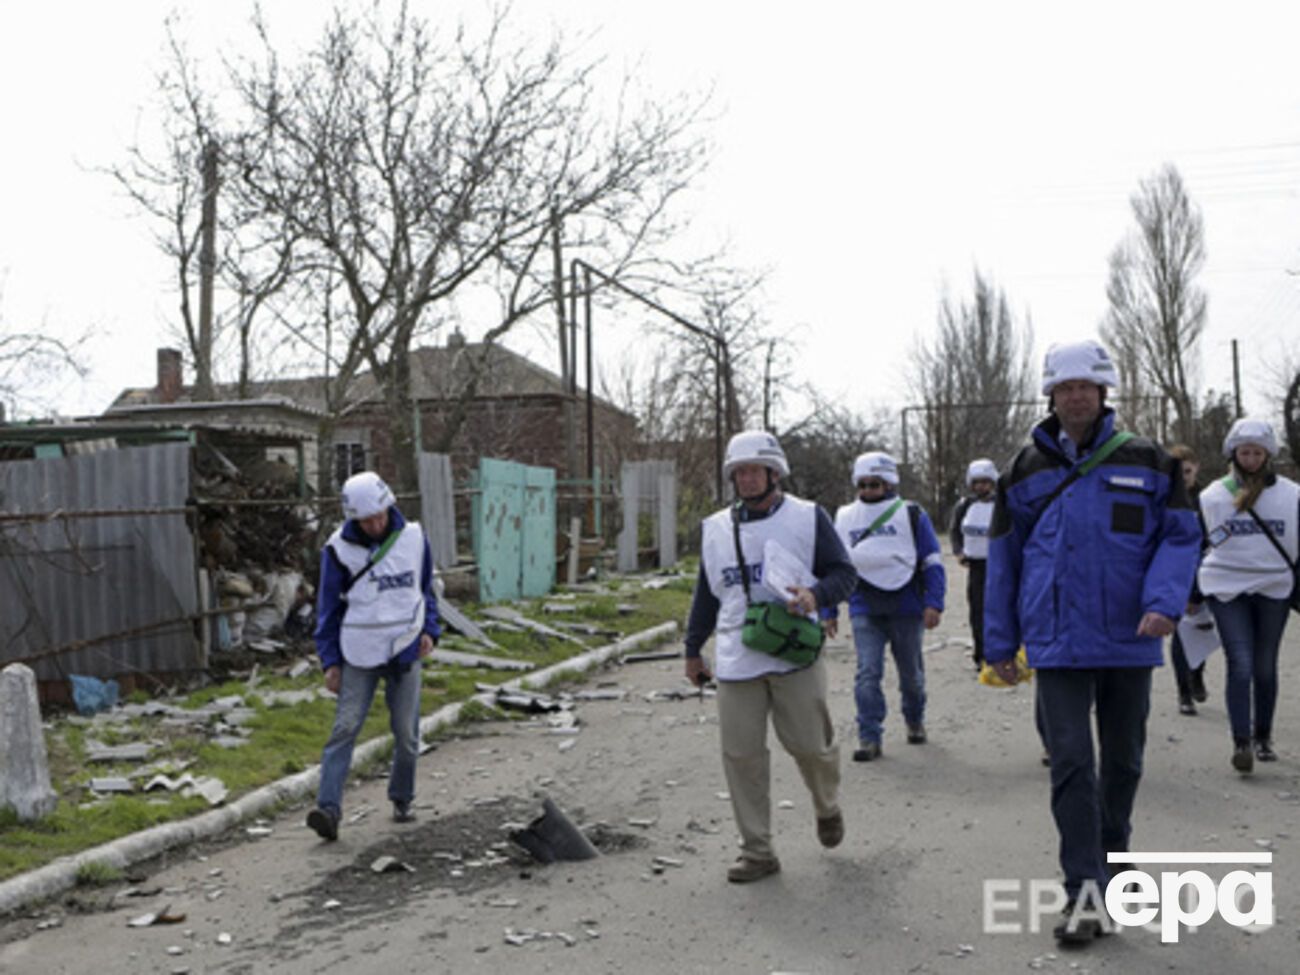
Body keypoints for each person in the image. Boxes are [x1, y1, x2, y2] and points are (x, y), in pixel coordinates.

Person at [984, 338, 1200, 946]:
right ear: (1051, 394)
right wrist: (999, 643)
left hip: (1131, 638)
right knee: (1073, 762)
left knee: (1125, 761)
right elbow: (1004, 559)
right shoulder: (1024, 470)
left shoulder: (1149, 461)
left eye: (1085, 386)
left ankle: (1116, 865)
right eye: (1064, 387)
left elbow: (1180, 538)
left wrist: (1162, 603)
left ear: (1103, 392)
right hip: (1056, 642)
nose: (1075, 396)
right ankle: (1082, 891)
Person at [683, 430, 857, 883]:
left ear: (774, 473)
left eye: (753, 470)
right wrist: (692, 650)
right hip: (738, 654)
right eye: (738, 472)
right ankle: (757, 851)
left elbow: (845, 573)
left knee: (810, 746)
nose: (745, 478)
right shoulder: (716, 528)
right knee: (741, 755)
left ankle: (827, 804)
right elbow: (706, 594)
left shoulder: (806, 518)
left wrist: (816, 596)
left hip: (794, 651)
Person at [306, 471, 440, 841]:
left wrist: (430, 630)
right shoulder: (338, 549)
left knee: (406, 734)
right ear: (354, 519)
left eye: (380, 516)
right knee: (345, 728)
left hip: (405, 646)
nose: (376, 525)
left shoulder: (413, 538)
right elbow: (328, 610)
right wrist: (330, 662)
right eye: (367, 521)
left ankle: (402, 798)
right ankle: (328, 809)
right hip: (358, 652)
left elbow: (426, 587)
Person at [1197, 418, 1299, 773]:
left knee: (1265, 666)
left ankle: (1263, 736)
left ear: (1268, 454)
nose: (1251, 458)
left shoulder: (1291, 495)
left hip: (1274, 586)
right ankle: (1241, 742)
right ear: (1234, 454)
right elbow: (1201, 543)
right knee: (1240, 664)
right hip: (1226, 588)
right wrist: (1192, 593)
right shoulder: (1213, 496)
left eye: (1258, 452)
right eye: (1245, 452)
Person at [830, 451, 945, 761]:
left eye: (875, 484)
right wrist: (828, 611)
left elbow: (932, 559)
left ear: (890, 484)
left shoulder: (911, 514)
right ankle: (869, 736)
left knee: (911, 676)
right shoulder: (843, 517)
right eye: (863, 484)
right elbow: (832, 567)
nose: (868, 490)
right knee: (867, 672)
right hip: (864, 605)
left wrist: (934, 602)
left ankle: (914, 718)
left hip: (906, 606)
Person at [1166, 444, 1208, 715]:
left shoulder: (1208, 500)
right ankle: (1184, 692)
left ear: (1196, 469)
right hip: (1174, 575)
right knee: (1181, 635)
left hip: (1205, 574)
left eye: (1188, 472)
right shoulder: (1165, 498)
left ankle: (1197, 674)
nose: (1184, 478)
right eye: (1179, 473)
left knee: (1202, 631)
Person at [949, 458, 998, 672]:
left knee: (1001, 609)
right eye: (976, 482)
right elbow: (954, 530)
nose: (981, 487)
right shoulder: (964, 505)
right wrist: (958, 552)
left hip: (998, 566)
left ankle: (1004, 652)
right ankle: (981, 655)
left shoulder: (1002, 504)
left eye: (985, 482)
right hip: (975, 566)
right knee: (977, 612)